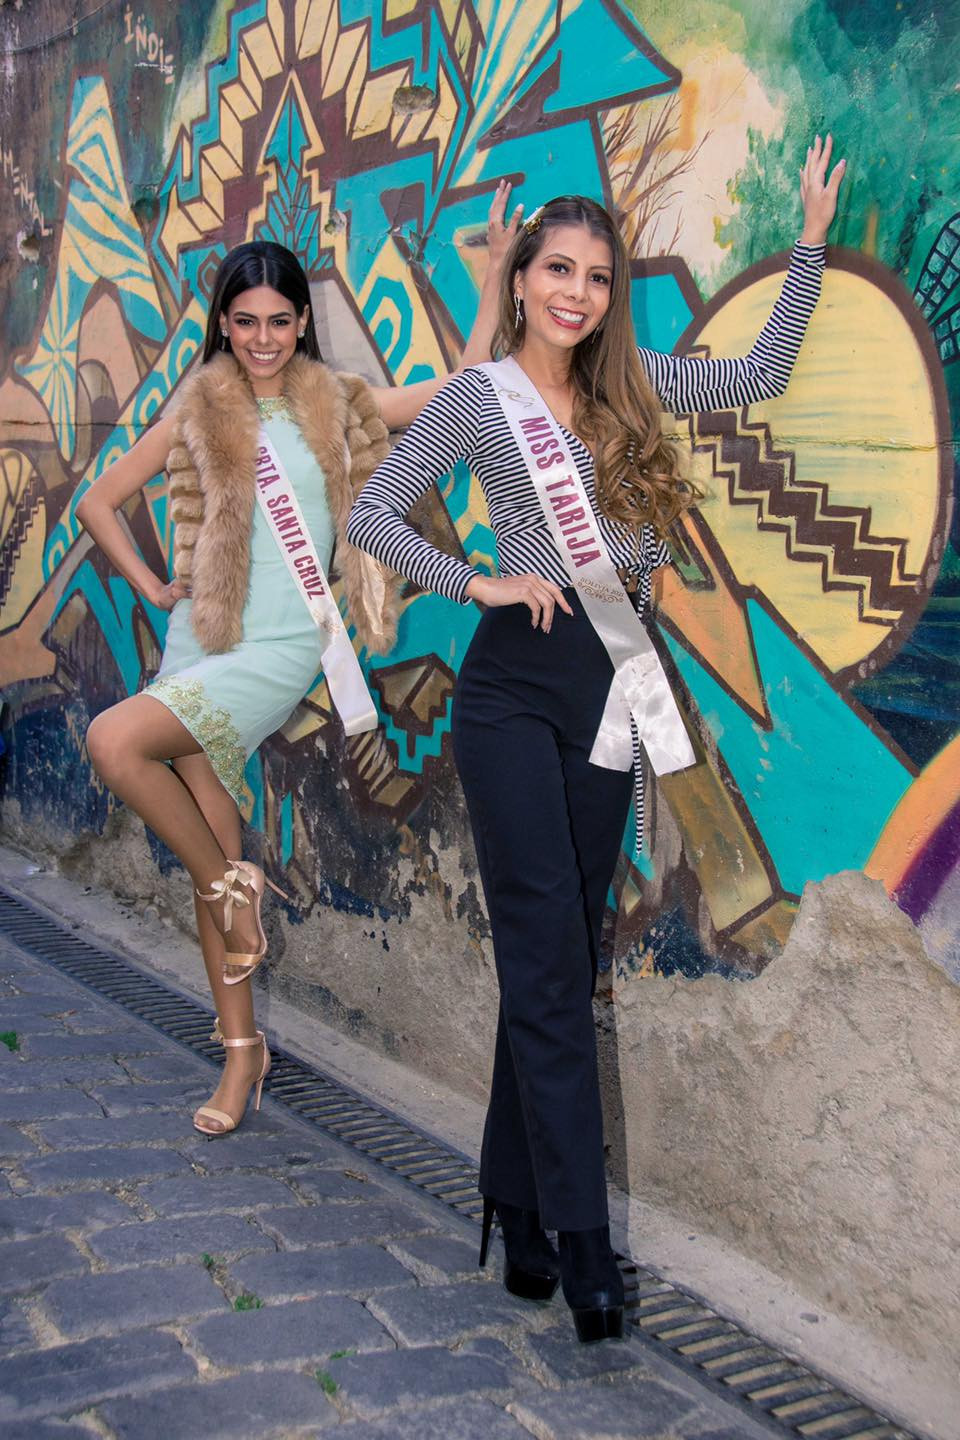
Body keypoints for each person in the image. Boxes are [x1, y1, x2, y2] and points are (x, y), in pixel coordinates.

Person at [347, 137, 845, 1340]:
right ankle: (582, 1243)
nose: (575, 293)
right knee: (549, 958)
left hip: (615, 687)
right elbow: (370, 510)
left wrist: (812, 234)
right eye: (556, 269)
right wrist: (473, 582)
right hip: (515, 685)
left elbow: (762, 372)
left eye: (596, 277)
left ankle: (512, 1204)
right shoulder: (478, 398)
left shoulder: (631, 390)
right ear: (521, 279)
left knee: (563, 948)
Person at [76, 185, 521, 1137]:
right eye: (246, 322)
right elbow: (97, 503)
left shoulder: (339, 406)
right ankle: (242, 1054)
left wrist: (489, 288)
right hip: (203, 642)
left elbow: (462, 387)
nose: (265, 338)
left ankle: (238, 901)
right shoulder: (199, 408)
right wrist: (154, 584)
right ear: (225, 326)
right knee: (215, 853)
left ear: (302, 322)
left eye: (280, 321)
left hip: (279, 651)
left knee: (115, 743)